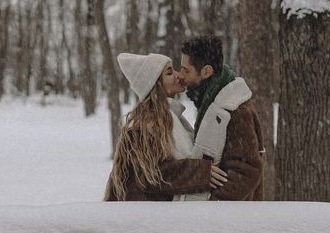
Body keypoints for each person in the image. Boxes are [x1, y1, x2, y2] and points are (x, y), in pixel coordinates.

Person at [104, 52, 228, 201]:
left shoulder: (171, 118)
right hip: (145, 217)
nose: (179, 75)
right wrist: (199, 171)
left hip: (160, 215)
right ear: (155, 85)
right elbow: (151, 175)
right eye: (169, 73)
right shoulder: (145, 124)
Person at [177, 35, 264, 201]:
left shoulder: (236, 111)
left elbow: (247, 171)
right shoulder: (211, 101)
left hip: (228, 221)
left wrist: (213, 204)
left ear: (207, 71)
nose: (180, 75)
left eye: (186, 70)